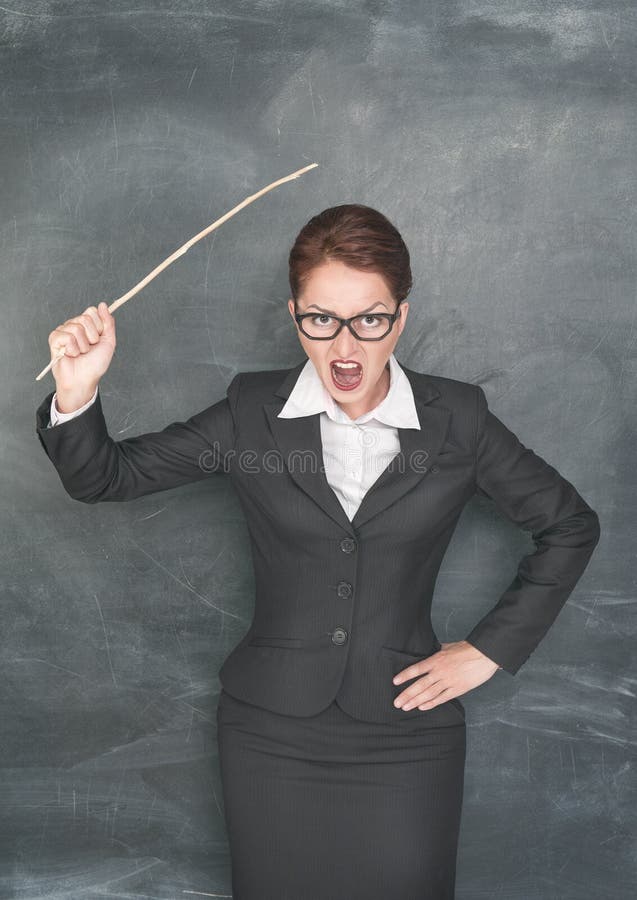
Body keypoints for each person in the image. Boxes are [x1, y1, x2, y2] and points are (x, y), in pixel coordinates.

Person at [35, 204, 601, 900]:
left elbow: (569, 524)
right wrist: (78, 388)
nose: (344, 345)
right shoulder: (250, 412)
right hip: (269, 734)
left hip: (406, 733)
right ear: (294, 313)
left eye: (369, 319)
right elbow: (103, 477)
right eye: (319, 319)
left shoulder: (459, 418)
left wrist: (487, 649)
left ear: (400, 317)